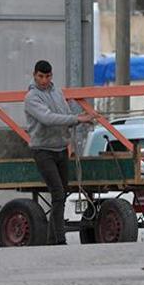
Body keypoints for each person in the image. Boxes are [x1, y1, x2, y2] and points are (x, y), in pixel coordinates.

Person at [24, 60, 94, 245]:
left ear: (51, 76)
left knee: (62, 193)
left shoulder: (57, 92)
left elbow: (65, 112)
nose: (44, 80)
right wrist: (77, 118)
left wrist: (79, 121)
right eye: (41, 76)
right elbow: (47, 118)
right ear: (34, 75)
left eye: (47, 76)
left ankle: (52, 239)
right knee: (57, 193)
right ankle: (60, 239)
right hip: (43, 151)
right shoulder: (31, 97)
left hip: (61, 149)